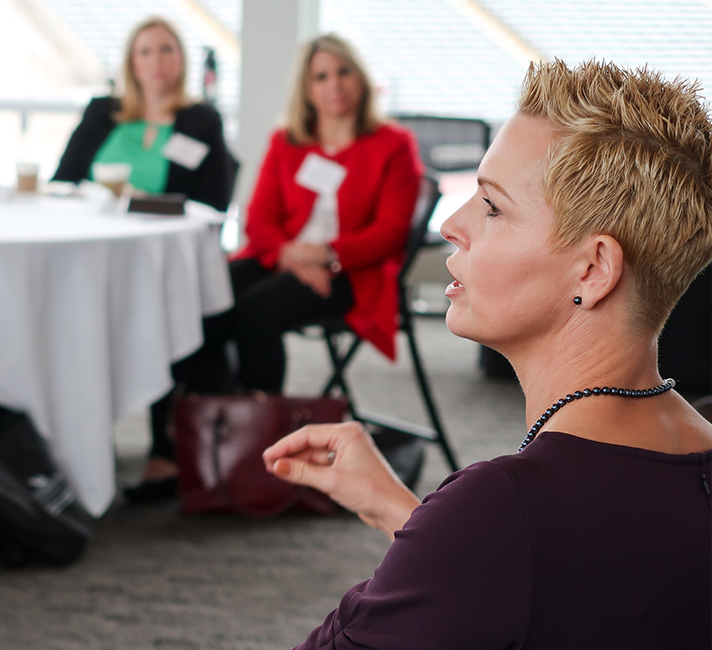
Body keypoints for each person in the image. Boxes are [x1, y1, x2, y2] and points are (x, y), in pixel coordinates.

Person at [264, 59, 712, 648]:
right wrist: (408, 516)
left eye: (492, 207)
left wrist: (446, 531)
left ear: (594, 268)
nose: (451, 223)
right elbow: (576, 590)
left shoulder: (499, 511)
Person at [125, 33, 423, 503]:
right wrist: (293, 256)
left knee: (257, 312)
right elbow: (258, 217)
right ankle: (181, 437)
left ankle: (255, 444)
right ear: (306, 88)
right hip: (282, 258)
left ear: (360, 79)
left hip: (351, 273)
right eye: (321, 76)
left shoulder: (393, 144)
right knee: (205, 297)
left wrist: (324, 254)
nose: (334, 85)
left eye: (343, 72)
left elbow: (389, 232)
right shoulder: (287, 141)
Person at [52, 16, 236, 213]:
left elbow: (214, 205)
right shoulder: (101, 111)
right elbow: (61, 183)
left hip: (162, 238)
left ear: (181, 58)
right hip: (92, 229)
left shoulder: (203, 122)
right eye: (145, 52)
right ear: (132, 63)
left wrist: (145, 203)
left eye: (166, 50)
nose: (157, 61)